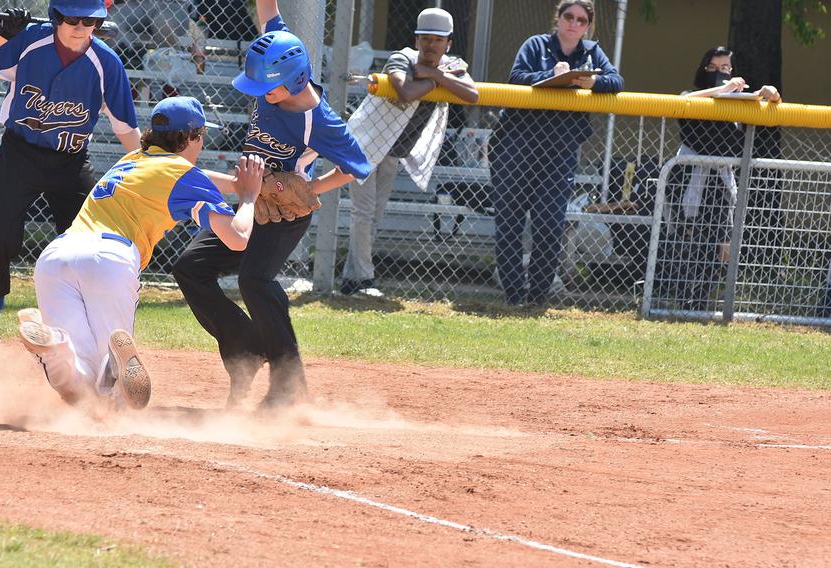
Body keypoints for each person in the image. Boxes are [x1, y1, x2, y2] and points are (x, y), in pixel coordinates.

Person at [172, 0, 370, 409]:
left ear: (297, 81)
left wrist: (311, 188)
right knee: (191, 268)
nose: (261, 95)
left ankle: (288, 384)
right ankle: (245, 346)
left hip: (283, 213)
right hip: (250, 201)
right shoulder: (276, 51)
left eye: (268, 89)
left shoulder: (321, 122)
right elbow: (267, 11)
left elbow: (356, 166)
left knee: (255, 280)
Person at [16, 96, 262, 409]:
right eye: (199, 136)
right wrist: (250, 197)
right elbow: (237, 238)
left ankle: (55, 347)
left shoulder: (133, 158)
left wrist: (235, 185)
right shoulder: (183, 176)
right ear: (192, 138)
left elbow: (193, 177)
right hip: (109, 258)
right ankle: (112, 369)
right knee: (112, 393)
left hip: (57, 256)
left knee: (77, 385)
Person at [0, 0, 141, 340]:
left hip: (70, 161)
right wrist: (0, 36)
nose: (82, 27)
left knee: (87, 245)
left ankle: (86, 331)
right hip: (20, 153)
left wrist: (151, 172)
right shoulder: (29, 42)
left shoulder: (106, 63)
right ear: (56, 17)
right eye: (73, 18)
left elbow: (127, 130)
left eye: (92, 21)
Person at [489, 0, 623, 307]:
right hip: (517, 145)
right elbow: (516, 77)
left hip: (561, 151)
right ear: (558, 18)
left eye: (581, 19)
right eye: (569, 17)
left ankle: (537, 296)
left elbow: (616, 81)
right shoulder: (536, 45)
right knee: (509, 222)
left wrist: (593, 81)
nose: (574, 24)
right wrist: (552, 73)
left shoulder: (591, 52)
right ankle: (513, 295)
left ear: (588, 25)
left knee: (550, 224)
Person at [339, 8, 478, 297]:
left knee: (374, 216)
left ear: (448, 43)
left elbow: (472, 95)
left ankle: (351, 281)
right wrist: (435, 79)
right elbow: (405, 91)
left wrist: (433, 74)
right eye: (425, 38)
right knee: (364, 213)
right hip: (363, 143)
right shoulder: (402, 57)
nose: (430, 45)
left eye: (437, 40)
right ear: (416, 40)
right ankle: (365, 280)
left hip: (392, 150)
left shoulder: (452, 65)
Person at [667, 46, 781, 311]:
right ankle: (680, 302)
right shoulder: (692, 95)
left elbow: (774, 105)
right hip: (688, 179)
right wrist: (722, 89)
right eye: (713, 68)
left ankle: (701, 303)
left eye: (726, 68)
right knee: (686, 241)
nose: (720, 73)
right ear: (703, 69)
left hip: (721, 182)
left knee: (718, 245)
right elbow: (684, 103)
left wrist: (770, 93)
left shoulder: (742, 102)